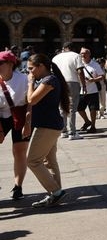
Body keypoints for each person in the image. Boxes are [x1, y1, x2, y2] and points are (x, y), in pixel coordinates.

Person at [25, 53, 71, 208]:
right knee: (49, 161)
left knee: (32, 160)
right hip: (50, 125)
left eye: (31, 69)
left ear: (41, 66)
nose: (30, 72)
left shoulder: (49, 80)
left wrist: (30, 83)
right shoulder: (48, 79)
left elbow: (31, 100)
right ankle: (55, 194)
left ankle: (56, 191)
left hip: (47, 126)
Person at [0, 51, 29, 200]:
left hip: (20, 115)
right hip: (1, 117)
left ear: (11, 64)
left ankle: (18, 186)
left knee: (19, 151)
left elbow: (31, 102)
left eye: (1, 63)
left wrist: (28, 123)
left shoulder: (24, 79)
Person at [51, 42, 87, 140]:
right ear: (73, 48)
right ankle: (72, 132)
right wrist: (83, 84)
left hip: (58, 82)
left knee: (61, 107)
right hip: (72, 82)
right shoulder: (76, 56)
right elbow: (80, 71)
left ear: (64, 48)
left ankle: (63, 131)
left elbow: (52, 72)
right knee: (72, 108)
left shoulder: (56, 58)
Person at [77, 48, 104, 134]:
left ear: (89, 54)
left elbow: (102, 76)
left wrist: (93, 80)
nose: (82, 55)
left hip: (93, 90)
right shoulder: (78, 64)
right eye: (81, 53)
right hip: (81, 91)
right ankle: (87, 121)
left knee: (93, 109)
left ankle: (93, 126)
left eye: (84, 53)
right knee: (79, 108)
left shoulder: (95, 64)